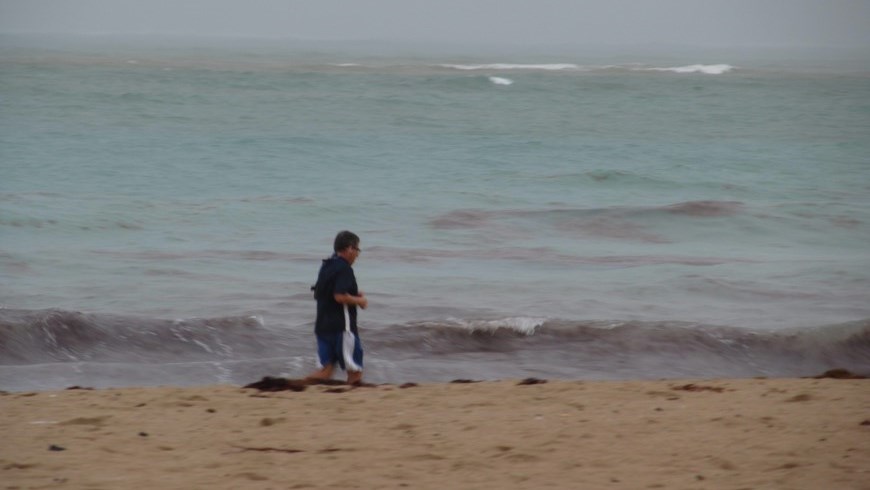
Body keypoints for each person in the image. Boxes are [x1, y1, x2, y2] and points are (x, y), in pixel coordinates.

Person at [306, 230, 368, 385]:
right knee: (355, 371)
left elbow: (322, 292)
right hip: (342, 329)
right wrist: (360, 301)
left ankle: (298, 385)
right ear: (349, 249)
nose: (357, 254)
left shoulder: (326, 265)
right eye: (357, 250)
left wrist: (353, 293)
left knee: (325, 371)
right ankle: (353, 404)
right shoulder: (344, 268)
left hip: (322, 326)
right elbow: (339, 296)